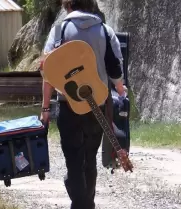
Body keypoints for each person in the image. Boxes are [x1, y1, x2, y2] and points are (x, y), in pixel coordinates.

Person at [39, 0, 126, 209]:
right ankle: (86, 204)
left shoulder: (59, 31)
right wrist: (121, 89)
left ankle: (81, 204)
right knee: (90, 157)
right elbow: (115, 68)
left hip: (68, 104)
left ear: (67, 5)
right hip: (97, 104)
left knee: (73, 160)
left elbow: (48, 72)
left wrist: (44, 108)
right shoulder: (105, 31)